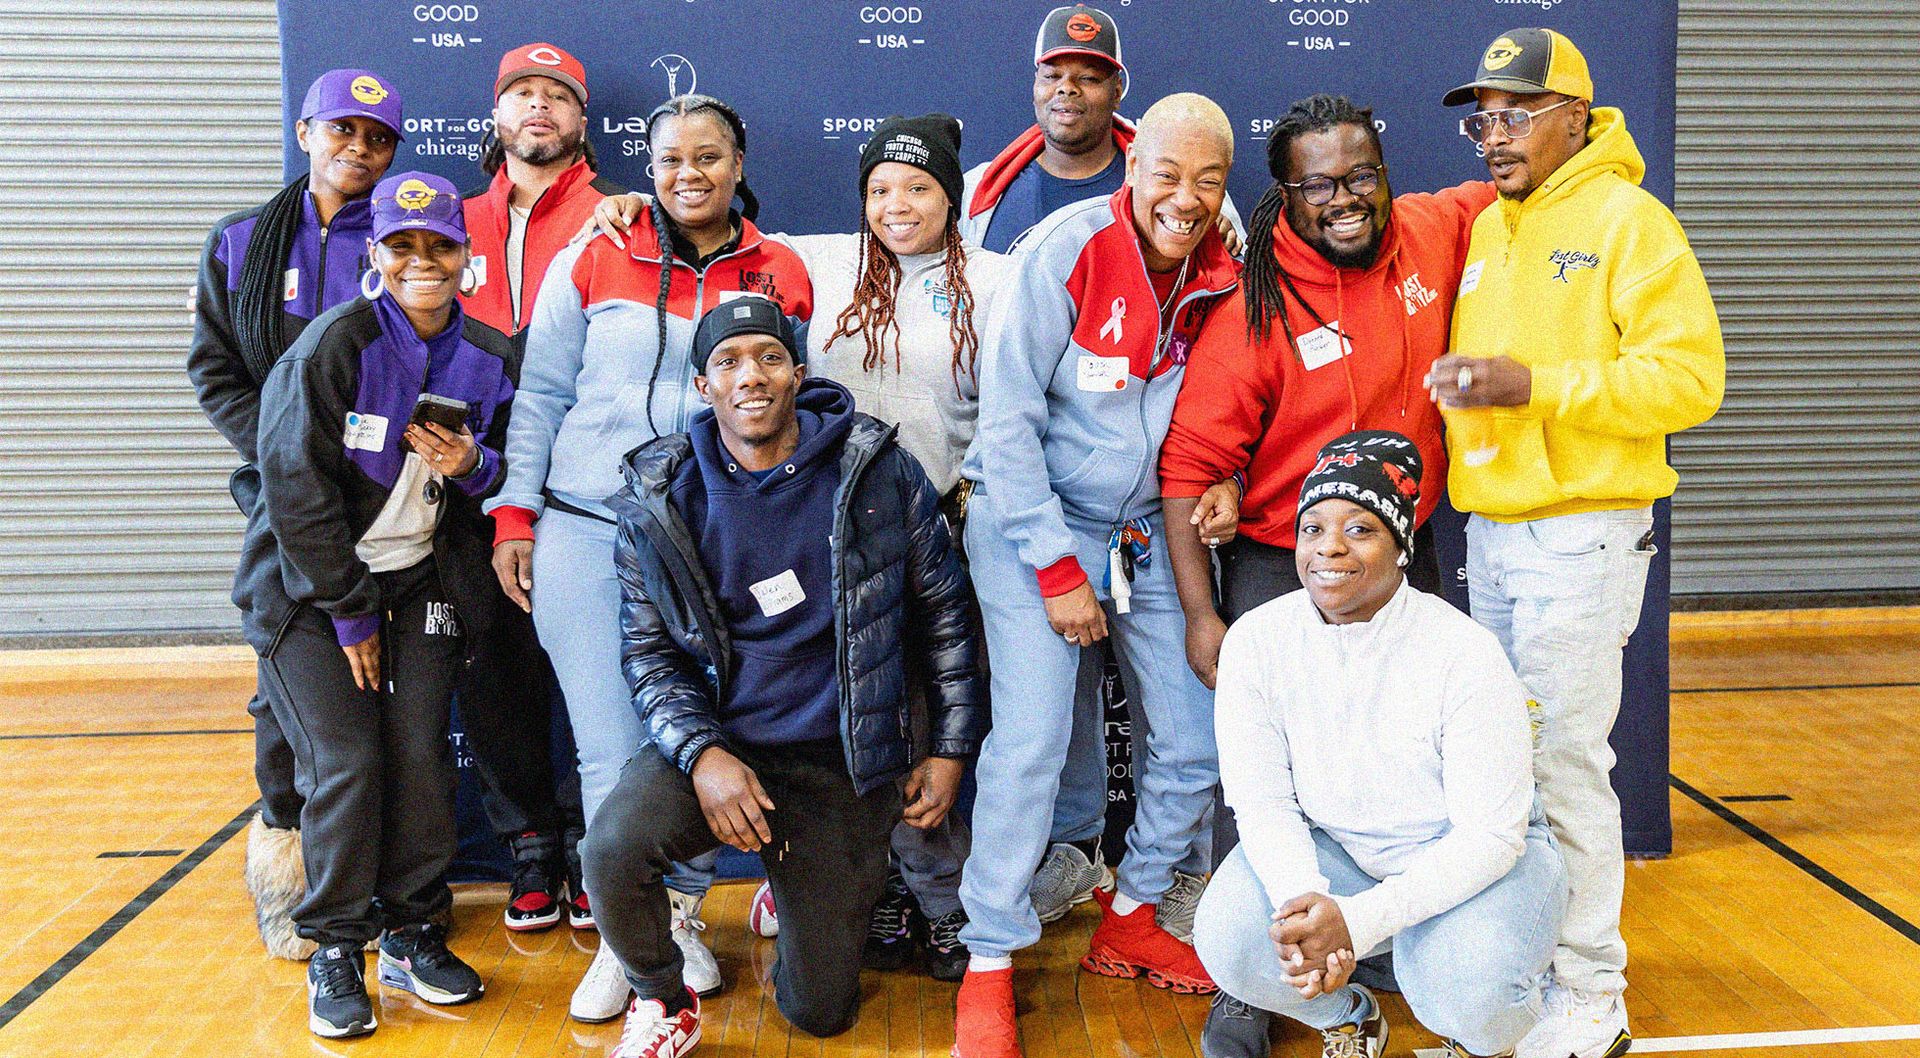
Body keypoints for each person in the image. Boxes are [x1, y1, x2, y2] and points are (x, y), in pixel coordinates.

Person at [1425, 29, 1724, 1058]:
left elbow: (1691, 382)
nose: (1493, 135)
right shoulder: (1492, 230)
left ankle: (1593, 996)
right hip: (1498, 537)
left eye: (1516, 113)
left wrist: (1535, 387)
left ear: (1576, 118)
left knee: (1562, 764)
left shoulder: (1630, 222)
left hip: (1584, 536)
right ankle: (1524, 978)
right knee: (1503, 767)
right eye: (1483, 118)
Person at [582, 297, 985, 1058]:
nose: (751, 376)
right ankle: (663, 1000)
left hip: (840, 761)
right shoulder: (660, 496)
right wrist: (703, 756)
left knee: (821, 1012)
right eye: (728, 362)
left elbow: (947, 618)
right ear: (703, 386)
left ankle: (794, 883)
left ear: (798, 373)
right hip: (726, 750)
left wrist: (950, 749)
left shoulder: (878, 471)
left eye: (769, 356)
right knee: (608, 852)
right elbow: (649, 655)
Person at [484, 92, 813, 1020]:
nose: (688, 175)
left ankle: (680, 916)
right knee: (610, 747)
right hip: (587, 525)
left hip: (716, 536)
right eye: (669, 160)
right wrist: (515, 517)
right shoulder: (595, 248)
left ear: (738, 165)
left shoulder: (780, 266)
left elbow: (796, 396)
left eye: (708, 157)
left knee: (705, 732)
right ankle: (628, 944)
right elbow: (541, 395)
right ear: (648, 169)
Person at [952, 93, 1241, 1058]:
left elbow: (1233, 392)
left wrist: (1230, 475)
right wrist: (1054, 565)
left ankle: (1137, 911)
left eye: (1208, 180)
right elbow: (1006, 424)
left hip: (1148, 528)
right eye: (1168, 174)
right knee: (1032, 743)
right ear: (1132, 168)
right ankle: (989, 957)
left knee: (1199, 736)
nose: (1186, 198)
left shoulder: (1229, 263)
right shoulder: (1063, 250)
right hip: (1031, 519)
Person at [1193, 431, 1567, 1058]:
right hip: (1342, 845)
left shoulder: (1463, 651)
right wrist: (1304, 907)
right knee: (1231, 939)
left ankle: (1497, 1030)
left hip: (1478, 856)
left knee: (1461, 990)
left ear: (1401, 546)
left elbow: (1491, 837)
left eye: (1360, 529)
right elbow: (1261, 803)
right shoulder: (1257, 641)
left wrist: (1356, 925)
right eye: (1312, 528)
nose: (1328, 548)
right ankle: (1352, 1018)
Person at [253, 172, 514, 1038]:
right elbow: (292, 488)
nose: (422, 261)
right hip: (312, 592)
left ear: (465, 255)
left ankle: (410, 930)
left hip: (424, 585)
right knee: (349, 763)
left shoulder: (488, 352)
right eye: (401, 246)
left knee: (420, 761)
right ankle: (333, 943)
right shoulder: (336, 345)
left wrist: (472, 467)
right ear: (375, 257)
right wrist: (350, 610)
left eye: (440, 244)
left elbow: (509, 476)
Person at [1161, 94, 1495, 689]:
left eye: (1361, 177)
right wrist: (1199, 616)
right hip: (1285, 562)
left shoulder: (1431, 229)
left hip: (1403, 552)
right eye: (1316, 187)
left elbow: (1534, 182)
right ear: (1286, 196)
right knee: (1295, 755)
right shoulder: (1254, 314)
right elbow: (1188, 473)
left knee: (1414, 746)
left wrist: (1593, 138)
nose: (1344, 200)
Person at [188, 67, 402, 960]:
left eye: (376, 137)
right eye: (342, 130)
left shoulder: (404, 236)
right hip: (283, 501)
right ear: (308, 131)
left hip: (388, 497)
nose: (357, 149)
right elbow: (215, 372)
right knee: (289, 686)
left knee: (398, 705)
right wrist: (289, 452)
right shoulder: (242, 242)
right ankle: (294, 870)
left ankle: (394, 888)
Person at [458, 40, 622, 936]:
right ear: (497, 115)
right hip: (465, 482)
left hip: (579, 486)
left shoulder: (621, 216)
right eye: (522, 93)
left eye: (557, 95)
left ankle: (601, 843)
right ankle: (527, 843)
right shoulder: (446, 218)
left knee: (594, 671)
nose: (538, 108)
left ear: (582, 122)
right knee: (496, 671)